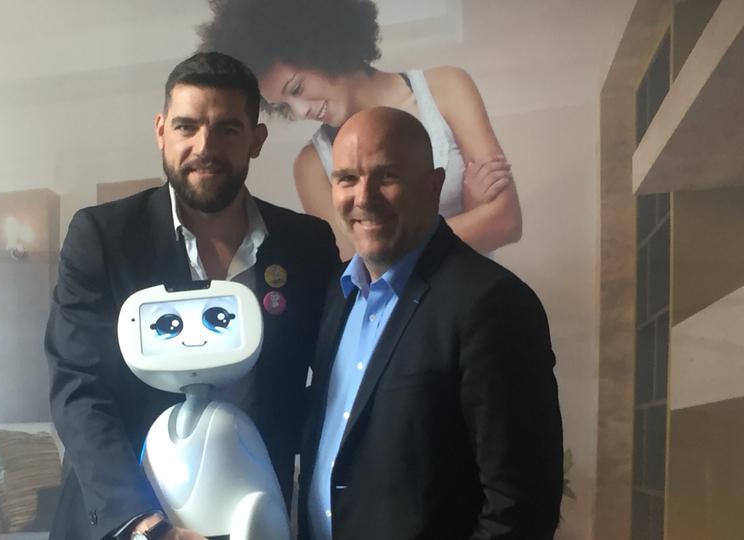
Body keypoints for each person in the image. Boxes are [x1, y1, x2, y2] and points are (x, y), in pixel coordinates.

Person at [45, 52, 340, 540]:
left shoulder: (306, 245)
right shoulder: (102, 238)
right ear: (161, 131)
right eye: (187, 127)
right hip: (130, 521)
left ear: (256, 139)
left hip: (254, 515)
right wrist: (145, 525)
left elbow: (331, 385)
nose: (205, 147)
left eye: (227, 129)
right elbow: (78, 389)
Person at [298, 107, 563, 539]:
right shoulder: (337, 294)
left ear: (434, 185)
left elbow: (519, 509)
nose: (363, 198)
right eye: (347, 178)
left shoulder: (492, 303)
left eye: (386, 176)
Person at [198, 0, 521, 259]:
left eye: (296, 88)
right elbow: (359, 268)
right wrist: (473, 212)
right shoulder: (312, 166)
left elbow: (506, 222)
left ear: (324, 48)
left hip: (481, 302)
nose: (300, 111)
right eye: (283, 105)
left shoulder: (446, 88)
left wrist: (388, 246)